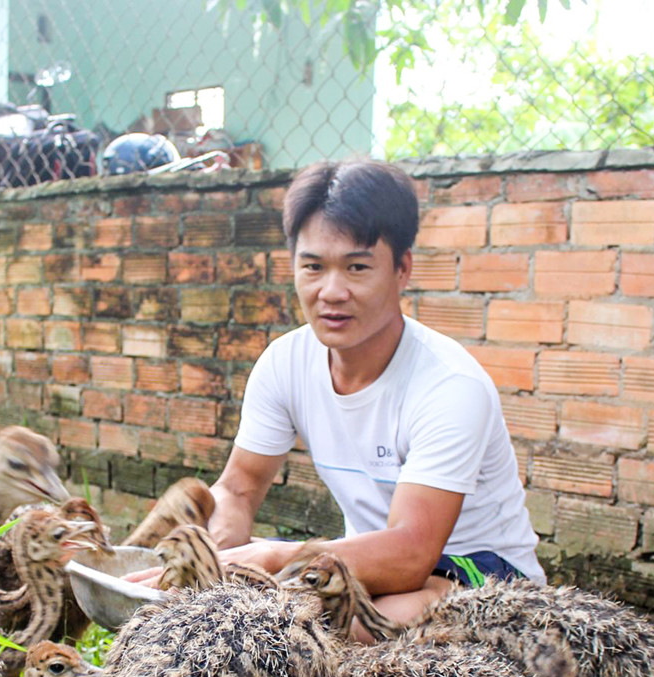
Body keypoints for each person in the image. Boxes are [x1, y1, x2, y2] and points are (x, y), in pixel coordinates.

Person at [203, 157, 543, 641]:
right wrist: (208, 554)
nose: (331, 291)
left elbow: (410, 553)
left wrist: (277, 556)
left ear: (402, 268)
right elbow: (237, 489)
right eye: (313, 267)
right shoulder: (284, 363)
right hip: (367, 567)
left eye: (357, 267)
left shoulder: (448, 385)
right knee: (264, 601)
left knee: (340, 626)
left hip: (481, 576)